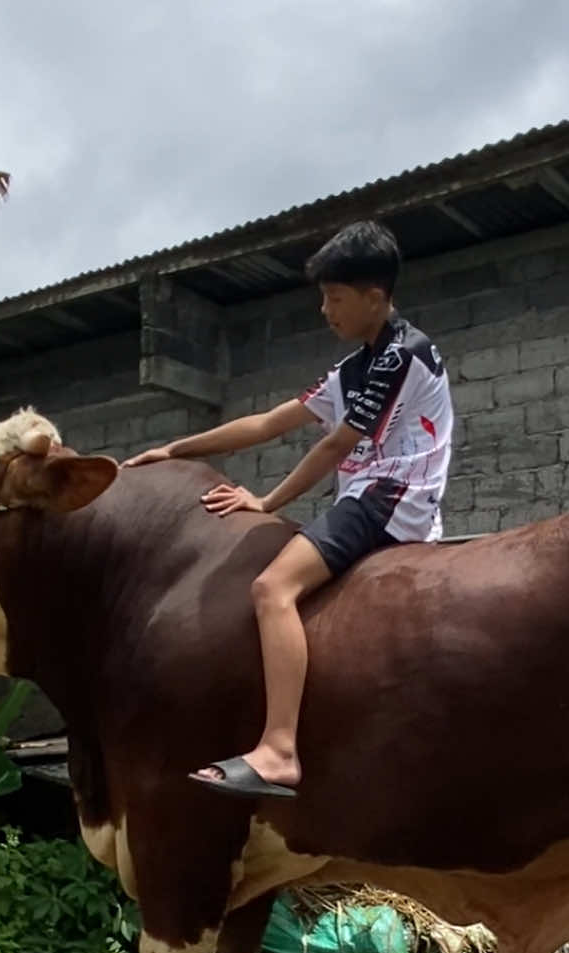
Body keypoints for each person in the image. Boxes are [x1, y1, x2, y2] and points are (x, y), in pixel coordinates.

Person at [121, 220, 454, 798]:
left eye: (336, 298)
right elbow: (271, 422)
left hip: (392, 497)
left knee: (271, 588)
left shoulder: (403, 355)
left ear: (375, 297)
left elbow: (334, 446)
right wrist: (175, 448)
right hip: (370, 493)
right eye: (323, 297)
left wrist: (267, 500)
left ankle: (278, 750)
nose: (326, 310)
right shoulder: (357, 367)